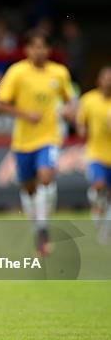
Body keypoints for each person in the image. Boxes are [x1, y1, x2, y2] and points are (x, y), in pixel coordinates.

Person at [0, 31, 76, 255]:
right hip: (23, 141)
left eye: (43, 47)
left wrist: (70, 111)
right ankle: (37, 226)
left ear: (49, 50)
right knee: (29, 188)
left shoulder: (59, 73)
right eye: (34, 46)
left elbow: (70, 101)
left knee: (46, 176)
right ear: (27, 49)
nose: (39, 51)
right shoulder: (18, 72)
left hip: (50, 137)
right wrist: (24, 114)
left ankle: (43, 229)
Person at [76, 66, 111, 243]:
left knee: (109, 196)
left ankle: (106, 231)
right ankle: (99, 223)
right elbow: (81, 125)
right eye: (106, 78)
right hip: (96, 154)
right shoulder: (89, 100)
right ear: (99, 81)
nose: (109, 81)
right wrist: (82, 129)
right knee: (99, 186)